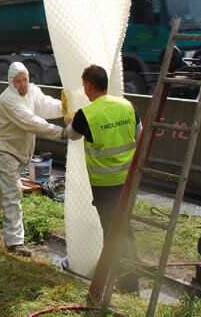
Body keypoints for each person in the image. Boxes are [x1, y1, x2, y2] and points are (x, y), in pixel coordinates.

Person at [0, 62, 66, 256]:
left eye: (25, 79)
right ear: (11, 82)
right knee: (13, 193)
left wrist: (64, 107)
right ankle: (14, 242)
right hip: (5, 151)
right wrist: (62, 133)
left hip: (19, 152)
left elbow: (46, 105)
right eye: (18, 81)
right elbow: (30, 122)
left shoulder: (32, 91)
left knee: (0, 188)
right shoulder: (8, 100)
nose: (22, 84)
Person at [65, 64, 140, 292]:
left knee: (113, 231)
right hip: (128, 180)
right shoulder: (126, 105)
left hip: (105, 185)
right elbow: (140, 133)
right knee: (124, 227)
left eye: (84, 85)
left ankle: (124, 284)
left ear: (89, 85)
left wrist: (69, 117)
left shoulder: (86, 114)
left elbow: (71, 136)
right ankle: (128, 280)